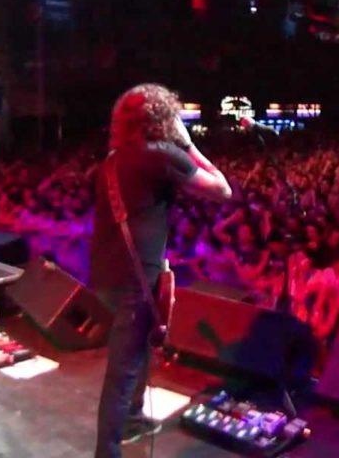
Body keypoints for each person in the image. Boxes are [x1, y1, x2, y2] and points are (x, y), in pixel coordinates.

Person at [89, 84, 231, 458]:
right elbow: (222, 190)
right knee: (121, 373)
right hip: (135, 280)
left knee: (136, 350)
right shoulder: (161, 154)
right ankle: (106, 451)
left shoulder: (112, 160)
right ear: (163, 117)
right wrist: (188, 144)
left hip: (105, 274)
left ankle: (132, 420)